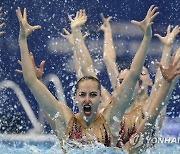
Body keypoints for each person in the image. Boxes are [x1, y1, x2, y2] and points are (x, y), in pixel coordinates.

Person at [16, 4, 156, 150]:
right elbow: (30, 80)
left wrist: (147, 37)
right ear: (75, 96)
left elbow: (133, 75)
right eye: (82, 94)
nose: (87, 99)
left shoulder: (110, 119)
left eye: (93, 95)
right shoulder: (66, 120)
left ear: (100, 98)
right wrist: (22, 39)